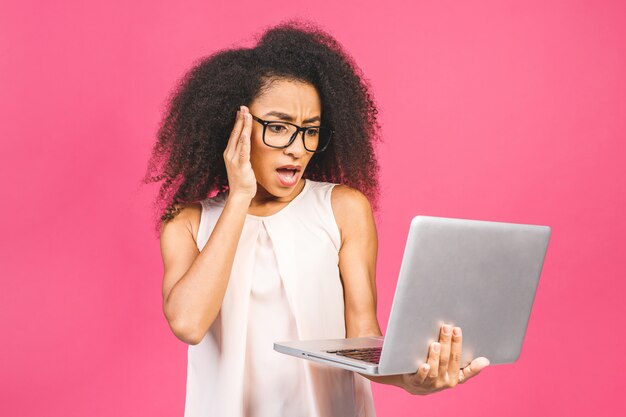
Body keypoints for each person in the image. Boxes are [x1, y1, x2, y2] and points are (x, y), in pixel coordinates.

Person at [144, 19, 489, 417]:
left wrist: (410, 378)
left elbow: (361, 337)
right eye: (277, 127)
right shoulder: (186, 223)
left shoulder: (342, 209)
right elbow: (188, 323)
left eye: (310, 130)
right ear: (234, 125)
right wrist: (240, 195)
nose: (297, 148)